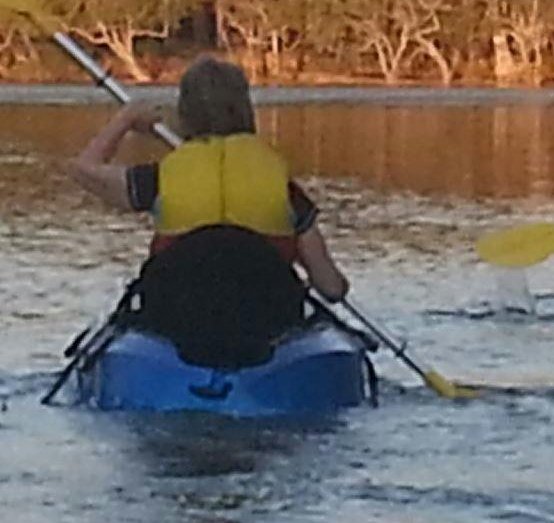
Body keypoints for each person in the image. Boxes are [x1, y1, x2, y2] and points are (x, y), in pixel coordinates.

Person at [72, 55, 350, 368]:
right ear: (246, 109)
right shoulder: (284, 189)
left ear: (185, 113)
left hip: (176, 319)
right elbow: (331, 288)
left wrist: (125, 119)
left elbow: (85, 169)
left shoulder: (161, 179)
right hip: (265, 323)